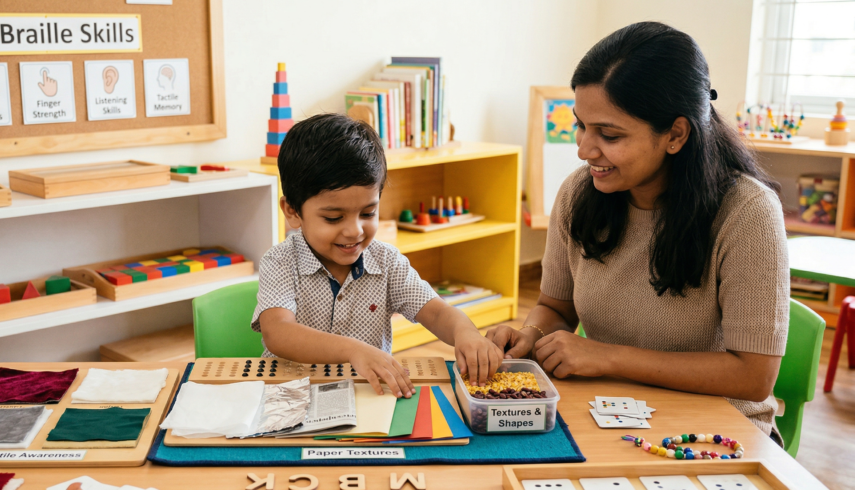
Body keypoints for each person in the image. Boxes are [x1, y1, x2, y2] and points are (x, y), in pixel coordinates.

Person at [486, 22, 788, 437]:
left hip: (716, 432)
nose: (584, 150)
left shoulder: (748, 213)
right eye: (580, 125)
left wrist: (607, 357)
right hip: (609, 414)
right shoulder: (578, 192)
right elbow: (556, 309)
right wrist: (530, 335)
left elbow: (753, 377)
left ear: (675, 134)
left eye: (609, 135)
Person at [252, 113, 503, 398]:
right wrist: (352, 350)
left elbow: (435, 311)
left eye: (368, 213)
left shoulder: (387, 262)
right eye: (333, 218)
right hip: (289, 395)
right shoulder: (280, 261)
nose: (354, 231)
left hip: (368, 395)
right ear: (292, 211)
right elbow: (278, 332)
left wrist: (464, 332)